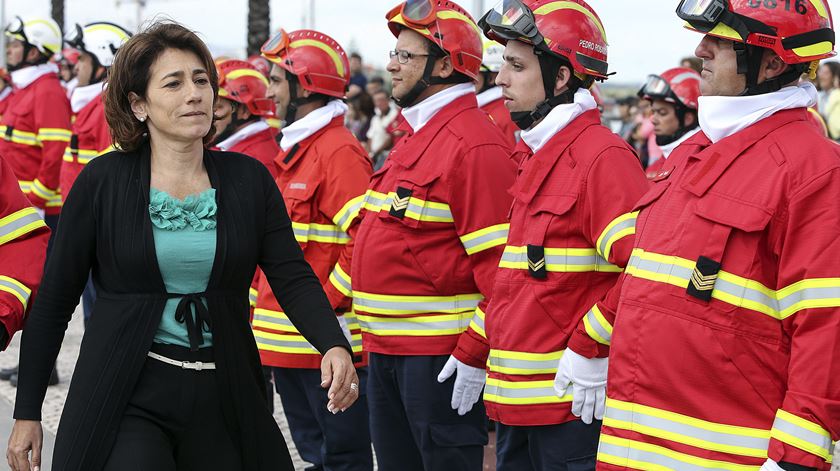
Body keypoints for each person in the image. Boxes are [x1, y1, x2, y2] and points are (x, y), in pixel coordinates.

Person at [5, 21, 359, 471]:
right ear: (138, 104)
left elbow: (290, 274)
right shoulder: (102, 182)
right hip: (127, 393)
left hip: (226, 389)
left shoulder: (249, 180)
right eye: (173, 83)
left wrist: (332, 344)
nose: (195, 94)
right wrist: (27, 412)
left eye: (201, 81)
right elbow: (54, 302)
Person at [586, 1, 840, 470]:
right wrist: (588, 345)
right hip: (631, 447)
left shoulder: (815, 169)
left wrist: (797, 456)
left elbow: (828, 323)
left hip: (726, 455)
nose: (700, 48)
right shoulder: (695, 151)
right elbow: (652, 270)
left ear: (772, 61)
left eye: (721, 40)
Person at [451, 1, 647, 468]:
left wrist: (589, 345)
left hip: (569, 413)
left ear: (561, 79)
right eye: (503, 64)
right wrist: (475, 348)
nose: (499, 79)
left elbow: (643, 271)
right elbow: (517, 279)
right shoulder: (542, 153)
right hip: (521, 407)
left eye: (516, 66)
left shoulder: (601, 159)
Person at [352, 1, 516, 469]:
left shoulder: (474, 146)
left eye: (407, 56)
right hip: (386, 354)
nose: (390, 64)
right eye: (394, 52)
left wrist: (473, 352)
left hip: (437, 361)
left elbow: (502, 273)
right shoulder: (419, 138)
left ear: (445, 65)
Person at [254, 28, 374, 471]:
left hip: (323, 347)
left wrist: (323, 310)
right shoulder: (300, 150)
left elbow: (364, 242)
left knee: (342, 456)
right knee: (314, 454)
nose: (268, 90)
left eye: (275, 79)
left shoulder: (337, 153)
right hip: (288, 346)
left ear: (304, 87)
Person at [57, 21, 130, 330]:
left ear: (103, 63)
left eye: (83, 60)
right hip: (87, 225)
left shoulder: (104, 110)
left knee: (99, 318)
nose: (77, 67)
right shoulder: (89, 104)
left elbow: (114, 176)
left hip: (100, 232)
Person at [1, 16, 71, 229]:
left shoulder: (47, 92)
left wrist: (35, 202)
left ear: (33, 52)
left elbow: (55, 154)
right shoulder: (26, 87)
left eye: (15, 45)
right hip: (18, 204)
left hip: (37, 211)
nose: (9, 51)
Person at [211, 58, 279, 176]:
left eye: (217, 108)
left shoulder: (255, 163)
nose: (209, 115)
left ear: (244, 111)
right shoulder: (236, 150)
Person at [637, 67, 701, 178]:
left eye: (662, 113)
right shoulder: (656, 166)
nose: (653, 119)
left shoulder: (699, 165)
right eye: (653, 111)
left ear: (688, 118)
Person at [475, 39, 517, 146]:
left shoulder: (504, 116)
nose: (470, 77)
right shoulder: (485, 110)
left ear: (492, 78)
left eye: (475, 72)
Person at [367, 89, 398, 168]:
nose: (379, 103)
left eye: (381, 100)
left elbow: (390, 138)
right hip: (374, 156)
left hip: (387, 156)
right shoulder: (375, 118)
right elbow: (370, 137)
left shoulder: (395, 115)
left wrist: (375, 153)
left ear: (388, 100)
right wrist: (370, 153)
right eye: (376, 101)